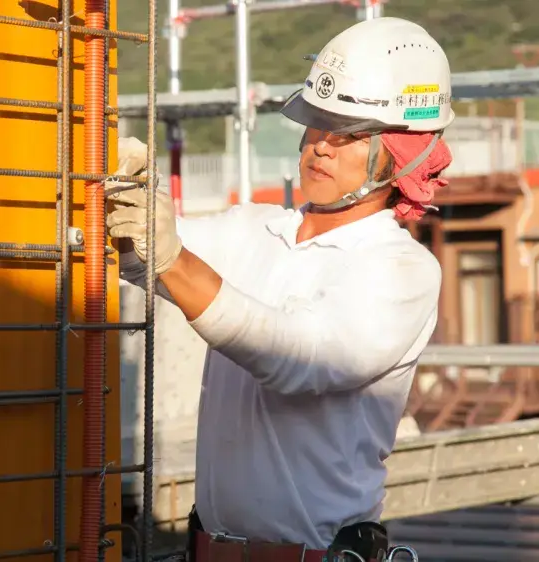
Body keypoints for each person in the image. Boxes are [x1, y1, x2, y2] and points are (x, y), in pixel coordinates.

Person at [106, 16, 455, 562]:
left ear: (402, 152)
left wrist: (170, 256)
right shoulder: (255, 230)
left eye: (347, 135)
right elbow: (142, 257)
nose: (320, 147)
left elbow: (298, 358)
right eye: (316, 126)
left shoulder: (402, 270)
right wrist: (120, 195)